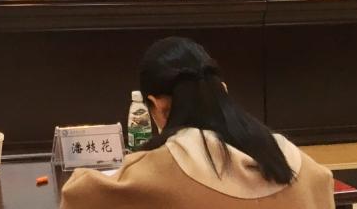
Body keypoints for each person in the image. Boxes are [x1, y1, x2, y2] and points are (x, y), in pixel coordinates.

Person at [60, 37, 333, 209]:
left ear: (157, 105)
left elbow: (78, 196)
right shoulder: (297, 164)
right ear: (222, 90)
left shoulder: (158, 170)